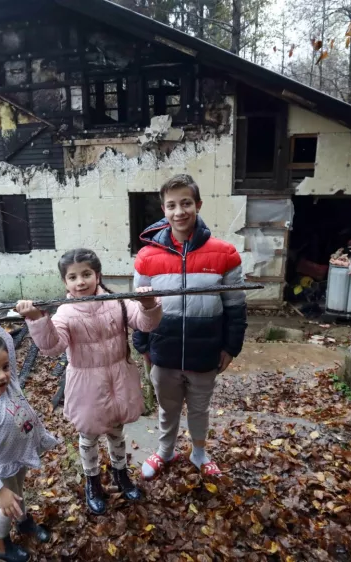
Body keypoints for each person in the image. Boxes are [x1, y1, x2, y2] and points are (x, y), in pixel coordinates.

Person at [16, 249, 162, 515]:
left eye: (86, 274)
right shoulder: (65, 313)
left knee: (117, 432)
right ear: (65, 282)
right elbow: (52, 346)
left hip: (118, 379)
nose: (80, 282)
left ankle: (121, 475)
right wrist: (37, 319)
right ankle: (92, 482)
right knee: (89, 436)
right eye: (72, 277)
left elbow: (144, 323)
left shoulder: (117, 301)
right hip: (86, 384)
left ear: (98, 275)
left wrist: (149, 304)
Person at [132, 174, 247, 480]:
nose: (179, 211)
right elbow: (138, 305)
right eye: (171, 205)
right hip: (164, 350)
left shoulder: (224, 254)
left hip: (205, 351)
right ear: (163, 208)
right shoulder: (146, 257)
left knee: (198, 409)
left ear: (198, 205)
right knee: (167, 408)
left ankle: (199, 452)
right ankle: (165, 451)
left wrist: (230, 347)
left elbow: (235, 306)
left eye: (185, 203)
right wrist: (143, 345)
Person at [0, 315, 58, 562]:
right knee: (8, 505)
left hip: (20, 456)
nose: (2, 376)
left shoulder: (11, 381)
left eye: (5, 367)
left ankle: (24, 522)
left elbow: (5, 338)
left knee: (19, 495)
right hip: (3, 467)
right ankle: (0, 545)